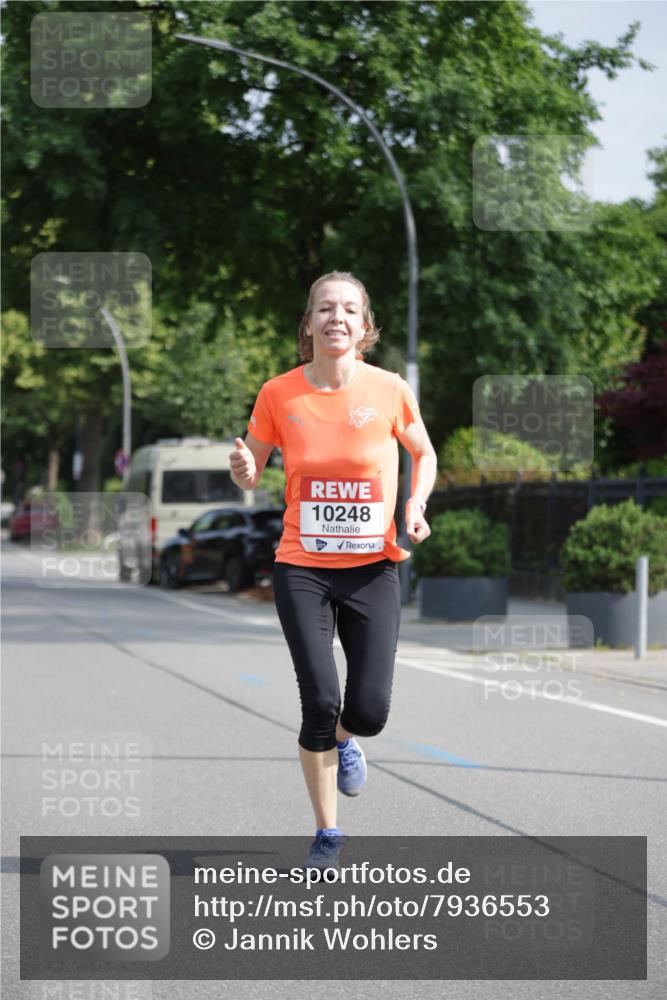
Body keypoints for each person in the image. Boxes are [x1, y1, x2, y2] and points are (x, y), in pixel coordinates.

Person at [230, 271, 437, 872]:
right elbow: (251, 471)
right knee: (319, 700)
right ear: (309, 323)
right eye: (325, 308)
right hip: (302, 566)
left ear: (364, 325)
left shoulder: (390, 389)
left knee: (367, 711)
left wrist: (414, 505)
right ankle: (327, 833)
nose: (336, 318)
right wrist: (243, 467)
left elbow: (422, 453)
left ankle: (347, 741)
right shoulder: (278, 394)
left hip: (373, 566)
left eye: (348, 309)